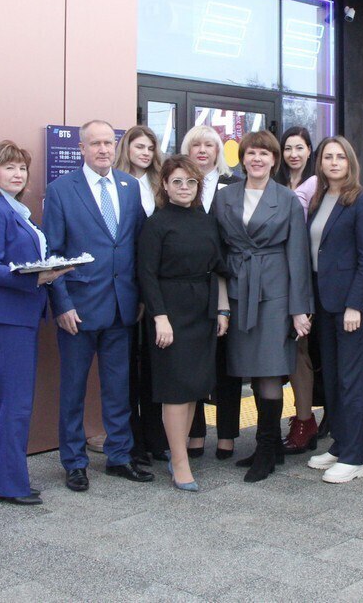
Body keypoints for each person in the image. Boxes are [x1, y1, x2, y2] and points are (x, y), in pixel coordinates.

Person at [45, 119, 154, 491]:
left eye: (109, 142)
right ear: (82, 148)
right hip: (78, 309)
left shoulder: (129, 186)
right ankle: (74, 462)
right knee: (73, 390)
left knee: (118, 389)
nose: (104, 149)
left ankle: (119, 456)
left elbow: (135, 245)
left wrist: (139, 297)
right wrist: (61, 304)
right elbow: (53, 253)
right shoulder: (61, 190)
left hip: (122, 307)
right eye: (95, 143)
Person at [0, 141, 70, 505]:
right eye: (9, 167)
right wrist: (36, 277)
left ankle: (8, 479)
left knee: (16, 401)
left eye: (22, 168)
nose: (17, 174)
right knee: (15, 402)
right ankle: (10, 485)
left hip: (21, 315)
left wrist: (51, 270)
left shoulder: (17, 210)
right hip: (6, 316)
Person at [212, 130, 313, 482]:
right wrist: (221, 304)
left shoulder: (286, 199)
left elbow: (298, 255)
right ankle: (267, 447)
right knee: (250, 369)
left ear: (274, 160)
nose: (257, 159)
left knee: (269, 370)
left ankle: (268, 448)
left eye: (264, 153)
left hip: (274, 293)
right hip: (238, 290)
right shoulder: (225, 196)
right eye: (251, 153)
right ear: (242, 158)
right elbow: (217, 250)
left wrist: (299, 309)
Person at [136, 155, 230, 493]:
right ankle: (179, 461)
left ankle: (181, 455)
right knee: (175, 390)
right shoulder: (156, 224)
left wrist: (222, 310)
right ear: (164, 184)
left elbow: (218, 267)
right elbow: (146, 274)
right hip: (170, 312)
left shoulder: (206, 221)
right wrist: (160, 317)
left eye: (191, 182)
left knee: (193, 388)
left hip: (201, 310)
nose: (184, 187)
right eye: (177, 181)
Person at [303, 136, 363, 483]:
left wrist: (355, 305)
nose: (333, 162)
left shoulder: (362, 201)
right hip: (324, 303)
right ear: (320, 163)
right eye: (328, 157)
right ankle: (339, 445)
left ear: (350, 162)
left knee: (351, 381)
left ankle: (353, 458)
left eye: (340, 157)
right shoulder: (319, 199)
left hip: (349, 307)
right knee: (332, 379)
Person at [180, 125, 241, 460]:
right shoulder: (179, 185)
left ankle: (228, 433)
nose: (202, 150)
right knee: (193, 362)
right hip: (189, 288)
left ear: (218, 151)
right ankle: (196, 432)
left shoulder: (233, 185)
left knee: (226, 363)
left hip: (227, 282)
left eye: (209, 145)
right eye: (196, 145)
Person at [115, 125, 168, 466]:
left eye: (150, 148)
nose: (146, 153)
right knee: (127, 368)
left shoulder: (159, 184)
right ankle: (132, 440)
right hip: (125, 285)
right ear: (127, 149)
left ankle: (155, 438)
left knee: (152, 365)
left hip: (157, 286)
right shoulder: (116, 183)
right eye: (139, 147)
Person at [276, 126, 323, 454]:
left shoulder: (317, 185)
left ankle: (305, 420)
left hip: (305, 276)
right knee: (284, 349)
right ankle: (302, 418)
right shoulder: (275, 183)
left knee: (300, 349)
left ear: (309, 151)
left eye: (299, 148)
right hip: (275, 276)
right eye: (288, 148)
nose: (293, 154)